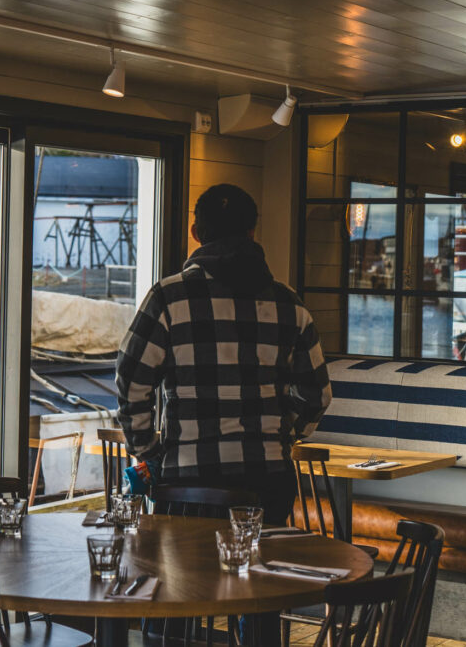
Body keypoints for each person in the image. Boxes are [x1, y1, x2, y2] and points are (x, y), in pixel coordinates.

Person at [114, 183, 331, 525]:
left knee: (188, 578)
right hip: (268, 477)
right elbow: (316, 396)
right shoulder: (289, 304)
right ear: (252, 232)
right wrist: (281, 434)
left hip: (187, 482)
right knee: (261, 575)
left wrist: (150, 451)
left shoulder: (168, 299)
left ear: (196, 233)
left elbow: (131, 383)